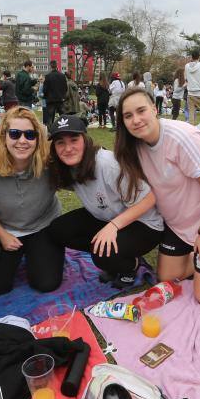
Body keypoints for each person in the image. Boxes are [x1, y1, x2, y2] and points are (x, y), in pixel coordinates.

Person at [114, 87, 200, 305]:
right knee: (165, 278)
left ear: (155, 109)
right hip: (179, 225)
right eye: (128, 116)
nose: (135, 120)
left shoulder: (182, 137)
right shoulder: (135, 146)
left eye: (141, 111)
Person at [46, 115, 163, 288]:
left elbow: (149, 199)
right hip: (109, 216)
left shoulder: (108, 164)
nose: (68, 148)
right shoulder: (67, 167)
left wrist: (113, 227)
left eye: (74, 140)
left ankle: (131, 266)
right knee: (59, 230)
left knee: (102, 255)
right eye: (60, 143)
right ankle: (116, 255)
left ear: (85, 140)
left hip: (145, 223)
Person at [0, 107, 64, 296]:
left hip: (43, 226)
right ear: (3, 136)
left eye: (30, 135)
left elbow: (80, 172)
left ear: (38, 139)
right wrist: (1, 235)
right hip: (7, 229)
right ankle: (21, 256)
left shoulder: (51, 162)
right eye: (15, 134)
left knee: (46, 283)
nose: (22, 141)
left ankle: (38, 254)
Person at [42, 60, 67, 127]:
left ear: (50, 66)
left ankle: (50, 132)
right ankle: (64, 128)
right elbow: (65, 88)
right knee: (63, 117)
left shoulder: (48, 76)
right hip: (60, 99)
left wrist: (45, 95)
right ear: (57, 66)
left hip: (50, 100)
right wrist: (63, 96)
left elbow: (45, 89)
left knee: (50, 118)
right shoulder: (62, 76)